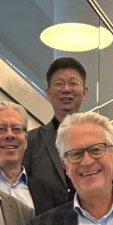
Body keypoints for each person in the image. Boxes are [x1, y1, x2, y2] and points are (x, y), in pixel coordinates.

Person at [0, 100, 67, 216]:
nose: (10, 135)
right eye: (0, 129)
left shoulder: (51, 196)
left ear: (26, 140)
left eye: (17, 129)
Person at [24, 56, 88, 200]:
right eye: (59, 83)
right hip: (46, 220)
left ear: (84, 92)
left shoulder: (98, 140)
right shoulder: (30, 141)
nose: (66, 89)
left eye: (73, 83)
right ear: (48, 92)